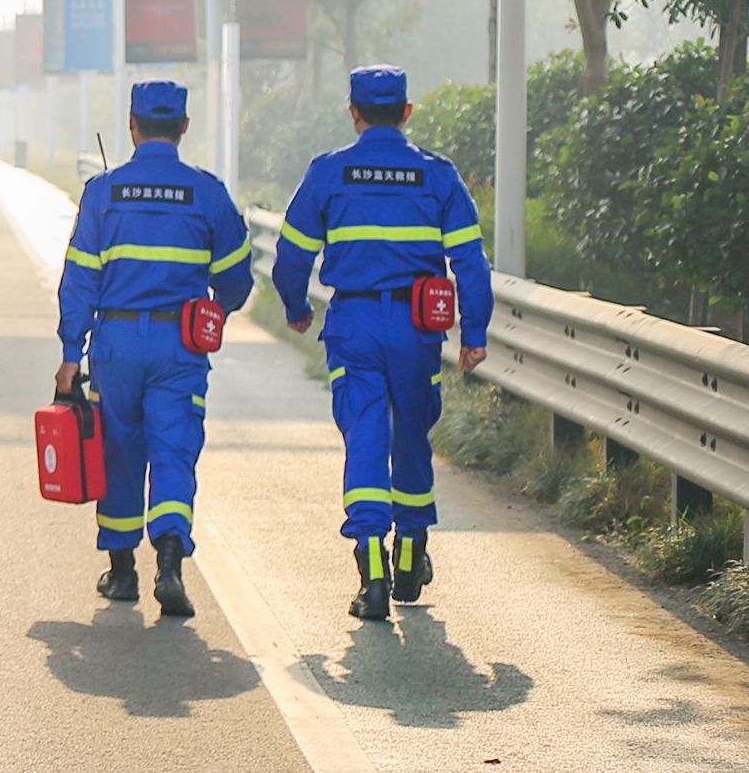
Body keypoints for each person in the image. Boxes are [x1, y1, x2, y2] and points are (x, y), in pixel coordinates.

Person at [271, 65, 492, 621]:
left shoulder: (329, 173)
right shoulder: (438, 176)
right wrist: (475, 331)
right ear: (408, 112)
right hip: (418, 329)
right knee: (413, 436)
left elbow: (292, 255)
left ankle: (372, 572)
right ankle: (412, 557)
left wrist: (296, 309)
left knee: (365, 437)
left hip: (355, 327)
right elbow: (470, 260)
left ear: (354, 113)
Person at [55, 80, 253, 618]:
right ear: (184, 127)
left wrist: (72, 353)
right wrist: (219, 305)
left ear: (131, 124)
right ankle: (169, 560)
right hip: (179, 343)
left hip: (115, 343)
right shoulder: (207, 191)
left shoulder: (102, 191)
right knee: (174, 448)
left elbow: (79, 280)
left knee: (118, 450)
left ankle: (122, 575)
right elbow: (237, 277)